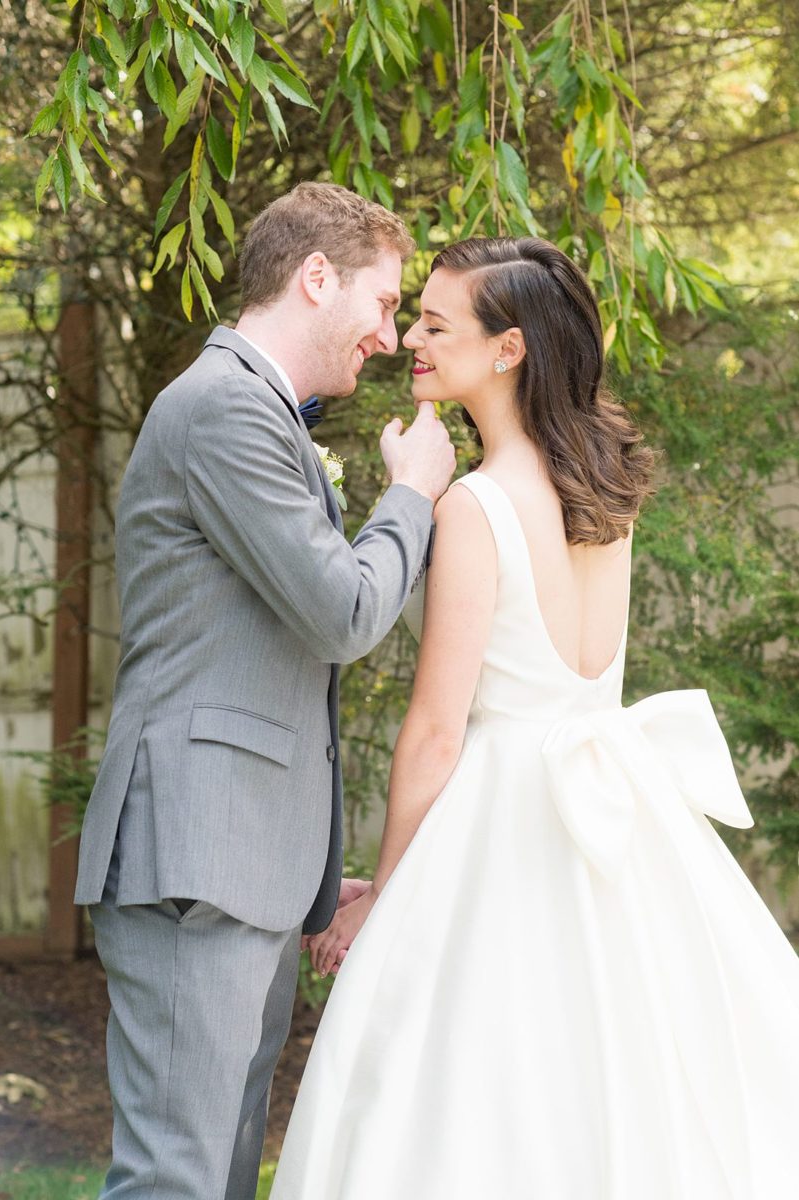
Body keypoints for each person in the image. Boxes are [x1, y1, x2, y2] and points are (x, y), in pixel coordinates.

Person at [270, 236, 799, 1199]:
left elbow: (434, 732)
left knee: (472, 1089)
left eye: (436, 324)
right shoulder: (606, 490)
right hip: (612, 803)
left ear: (507, 349)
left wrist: (386, 894)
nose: (411, 342)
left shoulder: (472, 505)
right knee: (613, 1067)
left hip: (504, 812)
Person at [74, 181, 456, 1200]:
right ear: (315, 276)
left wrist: (320, 878)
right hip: (195, 858)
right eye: (382, 303)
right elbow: (341, 613)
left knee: (219, 1176)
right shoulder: (223, 408)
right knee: (176, 1181)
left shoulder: (263, 413)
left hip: (243, 868)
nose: (387, 333)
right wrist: (414, 495)